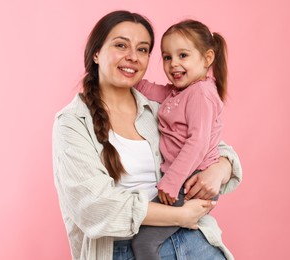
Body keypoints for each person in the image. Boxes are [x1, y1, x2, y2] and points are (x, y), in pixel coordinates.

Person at [52, 10, 242, 260]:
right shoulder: (73, 122)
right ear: (96, 52)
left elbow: (212, 145)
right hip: (126, 249)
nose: (132, 57)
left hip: (196, 241)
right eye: (121, 45)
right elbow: (94, 208)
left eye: (142, 50)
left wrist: (220, 170)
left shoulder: (159, 107)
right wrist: (179, 215)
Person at [131, 20, 229, 260]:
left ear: (207, 58)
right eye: (167, 57)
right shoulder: (180, 91)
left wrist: (171, 183)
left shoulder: (201, 94)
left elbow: (198, 143)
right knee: (145, 235)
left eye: (183, 55)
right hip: (180, 181)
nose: (173, 63)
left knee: (143, 242)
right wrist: (129, 75)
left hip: (189, 183)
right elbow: (151, 89)